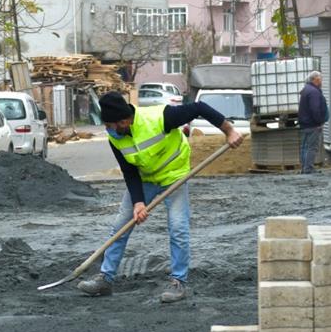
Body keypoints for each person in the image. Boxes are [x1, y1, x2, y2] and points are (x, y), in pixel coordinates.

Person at [76, 91, 243, 304]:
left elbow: (199, 107)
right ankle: (105, 278)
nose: (108, 130)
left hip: (174, 175)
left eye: (110, 125)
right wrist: (138, 202)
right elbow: (129, 171)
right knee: (120, 226)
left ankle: (178, 282)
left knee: (178, 227)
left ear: (124, 121)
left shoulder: (160, 118)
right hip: (145, 178)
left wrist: (228, 130)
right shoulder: (115, 138)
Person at [298, 71, 327, 175]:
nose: (321, 81)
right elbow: (315, 109)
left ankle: (304, 167)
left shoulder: (306, 90)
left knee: (305, 146)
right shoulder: (314, 92)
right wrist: (319, 122)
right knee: (312, 147)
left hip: (304, 124)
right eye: (321, 79)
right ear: (316, 79)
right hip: (312, 124)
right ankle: (308, 168)